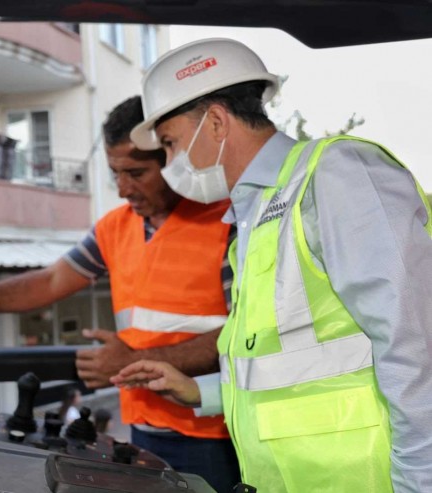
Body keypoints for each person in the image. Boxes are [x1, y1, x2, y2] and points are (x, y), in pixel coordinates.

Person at [112, 37, 432, 492]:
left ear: (217, 122)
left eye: (169, 144)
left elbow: (415, 342)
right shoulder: (256, 216)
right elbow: (294, 371)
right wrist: (198, 391)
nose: (168, 164)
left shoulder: (335, 175)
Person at [0, 96, 241, 492]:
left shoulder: (228, 220)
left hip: (216, 435)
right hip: (144, 431)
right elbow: (49, 281)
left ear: (173, 157)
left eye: (136, 173)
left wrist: (133, 359)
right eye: (116, 173)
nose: (122, 189)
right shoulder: (114, 228)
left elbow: (242, 336)